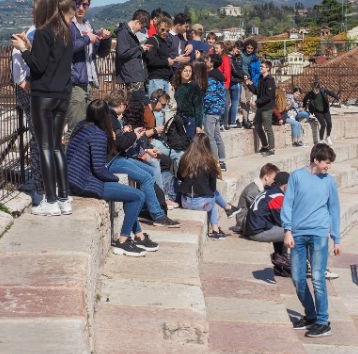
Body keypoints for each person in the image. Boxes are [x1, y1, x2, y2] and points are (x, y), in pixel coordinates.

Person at [67, 100, 158, 256]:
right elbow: (98, 169)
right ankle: (123, 241)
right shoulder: (98, 134)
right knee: (138, 196)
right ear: (105, 117)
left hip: (74, 179)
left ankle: (138, 235)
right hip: (84, 183)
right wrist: (114, 179)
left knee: (128, 194)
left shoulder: (81, 126)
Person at [11, 0, 74, 216]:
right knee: (57, 146)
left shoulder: (43, 32)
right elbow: (53, 61)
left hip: (44, 95)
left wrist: (23, 49)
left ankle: (50, 199)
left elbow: (37, 66)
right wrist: (30, 46)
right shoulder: (66, 32)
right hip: (62, 95)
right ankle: (65, 199)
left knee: (45, 146)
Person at [282, 143, 341, 337]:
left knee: (317, 277)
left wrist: (336, 238)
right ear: (316, 160)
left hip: (319, 234)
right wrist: (287, 231)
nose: (328, 166)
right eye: (326, 162)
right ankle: (311, 315)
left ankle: (323, 322)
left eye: (330, 163)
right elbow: (288, 204)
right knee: (298, 279)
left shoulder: (329, 182)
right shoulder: (297, 177)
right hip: (298, 234)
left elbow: (334, 210)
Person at [105, 89, 182, 227]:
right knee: (147, 176)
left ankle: (147, 208)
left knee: (151, 171)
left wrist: (130, 135)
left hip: (117, 157)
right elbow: (121, 144)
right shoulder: (111, 119)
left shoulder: (111, 117)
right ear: (122, 104)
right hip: (112, 160)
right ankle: (158, 215)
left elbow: (120, 140)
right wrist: (135, 135)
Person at [11, 25, 50, 207]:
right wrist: (24, 83)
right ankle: (39, 188)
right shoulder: (30, 38)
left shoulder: (41, 34)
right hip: (31, 92)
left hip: (41, 92)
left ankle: (44, 185)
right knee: (38, 140)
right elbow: (20, 71)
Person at [66, 0, 112, 136]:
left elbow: (101, 53)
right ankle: (70, 159)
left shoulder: (88, 25)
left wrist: (105, 39)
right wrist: (87, 39)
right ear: (72, 3)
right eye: (77, 4)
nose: (80, 8)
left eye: (84, 5)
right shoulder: (68, 25)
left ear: (89, 5)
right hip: (75, 83)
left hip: (89, 82)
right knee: (75, 129)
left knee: (87, 128)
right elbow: (67, 48)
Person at [178, 133, 240, 239]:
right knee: (212, 195)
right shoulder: (209, 162)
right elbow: (212, 187)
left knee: (211, 195)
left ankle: (228, 208)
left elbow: (179, 176)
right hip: (202, 205)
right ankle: (216, 228)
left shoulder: (184, 158)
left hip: (185, 201)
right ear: (207, 145)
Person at [245, 171, 291, 276]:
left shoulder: (269, 191)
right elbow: (283, 221)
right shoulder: (277, 197)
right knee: (293, 233)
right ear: (285, 185)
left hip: (254, 227)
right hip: (257, 232)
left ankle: (281, 265)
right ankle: (294, 264)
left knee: (282, 231)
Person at [145, 16, 187, 97]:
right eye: (162, 29)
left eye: (167, 31)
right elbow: (150, 60)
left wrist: (173, 61)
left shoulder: (165, 42)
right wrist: (167, 62)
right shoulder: (152, 40)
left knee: (164, 107)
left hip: (165, 78)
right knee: (157, 107)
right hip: (156, 78)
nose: (165, 32)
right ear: (157, 27)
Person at [234, 162, 279, 233]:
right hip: (244, 222)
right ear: (266, 178)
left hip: (252, 218)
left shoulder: (262, 188)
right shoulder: (253, 191)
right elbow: (260, 210)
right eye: (274, 179)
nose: (274, 181)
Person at [115, 9, 151, 92]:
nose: (141, 30)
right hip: (131, 76)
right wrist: (140, 48)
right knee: (136, 103)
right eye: (141, 27)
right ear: (137, 22)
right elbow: (122, 53)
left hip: (135, 76)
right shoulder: (123, 33)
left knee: (138, 103)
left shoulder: (130, 33)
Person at [246, 60, 276, 155]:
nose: (260, 68)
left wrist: (257, 101)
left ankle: (271, 149)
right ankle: (265, 146)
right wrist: (249, 84)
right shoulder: (261, 79)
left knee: (268, 128)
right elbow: (257, 92)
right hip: (260, 107)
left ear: (268, 68)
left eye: (262, 67)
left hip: (267, 107)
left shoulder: (270, 80)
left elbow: (269, 96)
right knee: (258, 126)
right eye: (260, 67)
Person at [203, 54, 227, 171]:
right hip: (218, 111)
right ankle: (222, 161)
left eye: (207, 58)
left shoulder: (211, 78)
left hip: (211, 111)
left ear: (212, 63)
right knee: (217, 136)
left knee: (210, 136)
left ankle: (215, 162)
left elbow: (209, 97)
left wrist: (203, 107)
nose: (205, 60)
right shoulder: (219, 76)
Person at [173, 64, 203, 139]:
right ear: (180, 72)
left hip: (190, 119)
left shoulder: (194, 86)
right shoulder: (177, 85)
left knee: (191, 144)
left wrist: (198, 125)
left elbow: (199, 107)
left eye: (190, 71)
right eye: (185, 71)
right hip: (179, 119)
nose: (188, 73)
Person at [240, 39, 260, 129]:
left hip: (249, 82)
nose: (249, 50)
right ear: (245, 47)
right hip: (240, 80)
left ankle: (246, 120)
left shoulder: (254, 58)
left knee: (247, 102)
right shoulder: (240, 54)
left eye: (251, 48)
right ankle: (245, 120)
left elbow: (257, 72)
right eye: (248, 48)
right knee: (242, 101)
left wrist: (252, 80)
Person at [214, 42, 231, 130]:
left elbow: (227, 73)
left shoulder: (225, 58)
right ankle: (219, 123)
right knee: (218, 105)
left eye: (217, 48)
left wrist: (225, 85)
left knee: (224, 105)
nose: (215, 49)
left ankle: (224, 123)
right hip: (216, 85)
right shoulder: (215, 57)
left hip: (223, 85)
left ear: (222, 49)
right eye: (215, 48)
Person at [228, 41, 245, 128]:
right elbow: (234, 70)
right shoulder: (231, 58)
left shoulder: (233, 57)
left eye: (240, 49)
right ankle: (232, 122)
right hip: (235, 82)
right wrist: (243, 76)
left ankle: (229, 121)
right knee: (235, 103)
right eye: (238, 49)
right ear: (233, 48)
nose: (239, 51)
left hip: (231, 82)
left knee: (231, 103)